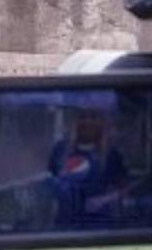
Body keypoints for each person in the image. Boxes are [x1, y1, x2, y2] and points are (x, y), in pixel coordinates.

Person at [47, 95, 128, 228]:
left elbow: (124, 190)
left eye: (93, 117)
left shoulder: (111, 155)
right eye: (82, 116)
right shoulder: (60, 149)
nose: (87, 121)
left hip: (98, 226)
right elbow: (50, 183)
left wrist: (103, 200)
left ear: (101, 122)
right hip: (65, 225)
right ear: (75, 120)